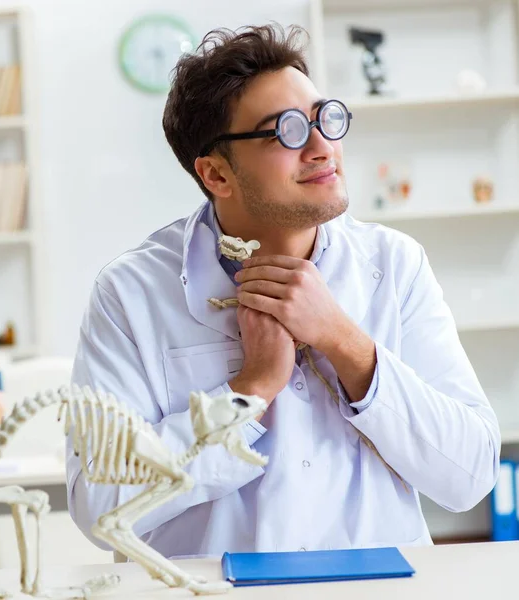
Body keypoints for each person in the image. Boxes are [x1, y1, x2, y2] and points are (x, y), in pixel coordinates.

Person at [66, 24, 500, 558]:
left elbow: (471, 474)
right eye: (285, 131)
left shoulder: (394, 265)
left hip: (381, 589)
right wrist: (247, 394)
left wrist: (346, 343)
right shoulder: (132, 293)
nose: (322, 148)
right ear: (216, 174)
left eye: (324, 119)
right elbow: (99, 502)